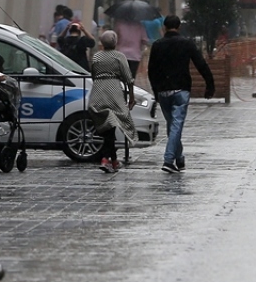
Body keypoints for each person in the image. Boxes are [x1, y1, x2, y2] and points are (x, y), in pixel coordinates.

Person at [147, 15, 214, 174]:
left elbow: (151, 70)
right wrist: (209, 85)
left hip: (163, 90)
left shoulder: (157, 45)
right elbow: (201, 64)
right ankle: (169, 159)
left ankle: (180, 158)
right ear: (179, 27)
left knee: (173, 125)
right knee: (176, 126)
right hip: (181, 89)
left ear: (164, 27)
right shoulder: (186, 44)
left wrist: (155, 90)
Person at [90, 31, 138, 174]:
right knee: (114, 124)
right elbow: (128, 78)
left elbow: (93, 74)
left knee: (108, 127)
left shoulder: (96, 56)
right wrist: (131, 96)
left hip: (98, 91)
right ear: (115, 42)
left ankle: (114, 160)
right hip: (113, 91)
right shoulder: (119, 56)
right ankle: (106, 159)